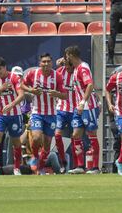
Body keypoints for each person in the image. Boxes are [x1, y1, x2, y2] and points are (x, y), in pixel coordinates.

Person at [21, 53, 67, 175]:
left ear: (51, 63)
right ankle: (35, 158)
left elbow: (65, 95)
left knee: (47, 145)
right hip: (37, 112)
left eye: (48, 61)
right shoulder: (33, 74)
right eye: (43, 62)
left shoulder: (57, 76)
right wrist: (31, 90)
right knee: (36, 138)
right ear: (39, 63)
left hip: (51, 114)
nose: (46, 64)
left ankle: (39, 168)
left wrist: (56, 94)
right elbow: (21, 84)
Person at [0, 57, 25, 175]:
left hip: (15, 114)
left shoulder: (14, 77)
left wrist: (12, 105)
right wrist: (0, 90)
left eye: (0, 69)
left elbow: (21, 95)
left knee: (16, 141)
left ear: (5, 67)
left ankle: (17, 168)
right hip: (0, 114)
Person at [65, 46, 101, 174]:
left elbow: (90, 85)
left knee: (91, 134)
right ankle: (80, 166)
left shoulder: (83, 68)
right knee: (75, 135)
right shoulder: (75, 68)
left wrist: (82, 102)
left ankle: (95, 167)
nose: (66, 58)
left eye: (67, 55)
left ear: (71, 55)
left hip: (88, 106)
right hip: (79, 107)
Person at [54, 56, 76, 173]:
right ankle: (63, 161)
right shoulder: (59, 72)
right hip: (61, 109)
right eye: (66, 65)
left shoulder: (79, 72)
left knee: (75, 138)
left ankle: (77, 165)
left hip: (75, 110)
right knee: (57, 135)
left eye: (70, 65)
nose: (68, 68)